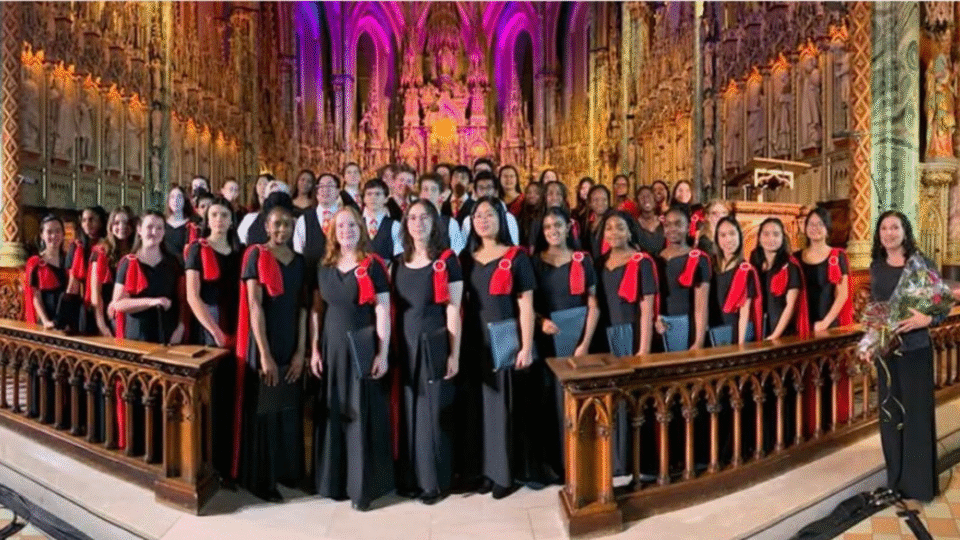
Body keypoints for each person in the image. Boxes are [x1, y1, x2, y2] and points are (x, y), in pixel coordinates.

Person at [312, 206, 394, 511]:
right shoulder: (324, 267)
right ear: (333, 232)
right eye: (340, 226)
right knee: (335, 412)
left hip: (362, 346)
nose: (346, 230)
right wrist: (314, 349)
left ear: (361, 228)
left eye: (351, 225)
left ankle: (362, 488)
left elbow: (383, 309)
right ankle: (333, 483)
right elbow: (316, 313)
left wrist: (382, 353)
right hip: (332, 348)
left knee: (361, 414)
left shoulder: (373, 265)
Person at [459, 196, 535, 499]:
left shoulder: (516, 256)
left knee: (501, 408)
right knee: (476, 407)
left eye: (489, 215)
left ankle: (503, 473)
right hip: (473, 339)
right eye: (478, 216)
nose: (483, 220)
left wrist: (526, 346)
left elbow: (526, 303)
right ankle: (482, 471)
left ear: (500, 220)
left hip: (504, 335)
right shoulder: (467, 258)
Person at [865, 210, 942, 502]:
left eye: (894, 227)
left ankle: (919, 485)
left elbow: (941, 304)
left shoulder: (921, 265)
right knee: (890, 415)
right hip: (887, 351)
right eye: (884, 228)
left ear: (905, 232)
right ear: (879, 235)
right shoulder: (876, 267)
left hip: (916, 349)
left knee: (917, 416)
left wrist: (928, 320)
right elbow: (876, 306)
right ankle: (895, 480)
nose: (889, 233)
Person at [234, 204, 308, 502]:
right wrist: (264, 353)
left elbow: (304, 308)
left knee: (289, 408)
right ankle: (263, 480)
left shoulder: (301, 261)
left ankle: (288, 472)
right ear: (266, 226)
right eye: (276, 224)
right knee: (266, 410)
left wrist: (301, 351)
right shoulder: (255, 255)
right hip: (263, 341)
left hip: (291, 341)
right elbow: (254, 305)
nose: (281, 230)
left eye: (287, 225)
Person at [393, 200, 463, 504]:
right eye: (412, 217)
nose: (418, 222)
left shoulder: (447, 261)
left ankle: (435, 481)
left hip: (434, 344)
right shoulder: (398, 262)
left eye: (424, 218)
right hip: (404, 348)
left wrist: (454, 353)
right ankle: (411, 478)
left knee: (433, 415)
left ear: (435, 223)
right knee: (409, 414)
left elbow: (454, 309)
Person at [530, 207, 599, 484]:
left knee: (577, 403)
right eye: (547, 227)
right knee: (550, 404)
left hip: (579, 341)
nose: (553, 231)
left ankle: (579, 461)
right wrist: (540, 322)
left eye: (557, 225)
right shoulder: (535, 262)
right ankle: (555, 465)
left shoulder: (583, 260)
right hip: (548, 341)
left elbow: (594, 305)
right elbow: (528, 305)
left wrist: (584, 343)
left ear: (568, 227)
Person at [110, 210, 185, 450]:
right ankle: (139, 446)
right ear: (139, 230)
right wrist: (151, 301)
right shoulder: (128, 262)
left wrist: (181, 327)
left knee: (165, 394)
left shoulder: (173, 262)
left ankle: (164, 446)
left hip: (168, 334)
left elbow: (182, 299)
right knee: (139, 392)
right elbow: (117, 304)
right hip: (138, 334)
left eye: (159, 228)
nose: (154, 232)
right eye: (150, 227)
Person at [595, 210, 658, 476]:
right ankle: (616, 461)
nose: (614, 233)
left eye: (620, 228)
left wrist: (643, 348)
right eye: (608, 228)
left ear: (630, 231)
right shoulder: (600, 262)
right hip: (607, 336)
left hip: (633, 334)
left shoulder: (641, 261)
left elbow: (647, 307)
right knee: (612, 400)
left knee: (634, 400)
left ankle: (637, 461)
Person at [184, 197, 242, 486]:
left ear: (232, 220)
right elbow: (193, 296)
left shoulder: (240, 251)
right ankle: (210, 465)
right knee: (212, 398)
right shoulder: (197, 248)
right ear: (208, 219)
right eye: (214, 214)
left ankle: (231, 463)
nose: (219, 219)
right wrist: (216, 332)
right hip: (211, 327)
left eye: (224, 214)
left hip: (238, 324)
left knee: (233, 396)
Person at [797, 206, 853, 430]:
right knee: (807, 379)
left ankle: (833, 423)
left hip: (830, 325)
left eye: (820, 224)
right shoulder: (796, 256)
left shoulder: (837, 256)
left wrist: (826, 323)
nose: (815, 228)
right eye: (811, 224)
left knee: (830, 376)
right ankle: (810, 424)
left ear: (827, 228)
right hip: (804, 325)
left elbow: (843, 294)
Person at [656, 207, 711, 351]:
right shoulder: (658, 258)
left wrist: (699, 341)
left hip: (687, 325)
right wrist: (656, 318)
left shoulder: (698, 258)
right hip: (662, 327)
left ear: (687, 227)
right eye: (668, 225)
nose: (672, 229)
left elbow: (701, 305)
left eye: (678, 224)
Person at [750, 217, 810, 341]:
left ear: (782, 238)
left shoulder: (791, 265)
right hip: (759, 332)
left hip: (783, 335)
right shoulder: (755, 263)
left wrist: (775, 336)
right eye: (766, 234)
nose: (771, 239)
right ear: (759, 238)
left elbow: (790, 305)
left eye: (776, 234)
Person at [709, 216, 762, 346]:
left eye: (732, 233)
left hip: (733, 332)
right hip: (711, 330)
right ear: (717, 239)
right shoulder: (710, 265)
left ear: (739, 236)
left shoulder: (745, 270)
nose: (728, 239)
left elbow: (745, 313)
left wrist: (740, 344)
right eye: (723, 235)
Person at [89, 207, 135, 338]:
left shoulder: (137, 250)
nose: (122, 227)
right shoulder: (101, 252)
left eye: (126, 223)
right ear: (110, 226)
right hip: (108, 315)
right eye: (117, 223)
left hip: (131, 313)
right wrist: (101, 324)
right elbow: (95, 293)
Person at [63, 206, 107, 334]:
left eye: (92, 219)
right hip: (84, 302)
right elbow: (72, 283)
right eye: (84, 220)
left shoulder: (107, 245)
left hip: (104, 296)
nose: (87, 224)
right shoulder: (76, 247)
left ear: (101, 222)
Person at [24, 215, 67, 329]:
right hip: (46, 320)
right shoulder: (35, 263)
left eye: (58, 231)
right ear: (42, 235)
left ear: (63, 235)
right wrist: (46, 321)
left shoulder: (68, 260)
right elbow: (35, 297)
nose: (54, 235)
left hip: (66, 320)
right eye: (49, 232)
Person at [293, 172, 342, 274]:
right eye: (321, 186)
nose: (325, 190)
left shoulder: (345, 217)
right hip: (311, 276)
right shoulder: (304, 219)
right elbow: (298, 251)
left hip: (340, 276)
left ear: (337, 191)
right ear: (317, 191)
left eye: (330, 186)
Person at [460, 172, 521, 245]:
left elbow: (514, 247)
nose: (485, 192)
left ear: (496, 192)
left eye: (489, 187)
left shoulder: (508, 218)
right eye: (481, 188)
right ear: (475, 193)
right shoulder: (468, 221)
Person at [418, 174, 465, 254]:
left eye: (433, 190)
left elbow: (457, 253)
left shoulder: (451, 223)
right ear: (419, 194)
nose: (429, 194)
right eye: (425, 189)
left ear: (440, 195)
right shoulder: (412, 221)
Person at [361, 178, 403, 262]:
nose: (373, 198)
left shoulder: (395, 226)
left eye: (377, 194)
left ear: (386, 199)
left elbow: (399, 257)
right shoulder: (356, 224)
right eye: (369, 194)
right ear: (364, 199)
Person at [163, 185, 196, 265]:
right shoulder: (162, 224)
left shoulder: (191, 224)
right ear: (168, 201)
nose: (176, 200)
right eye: (172, 197)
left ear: (185, 200)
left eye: (179, 197)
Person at [238, 173, 273, 244]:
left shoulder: (275, 211)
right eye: (260, 184)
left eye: (265, 184)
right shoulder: (249, 212)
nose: (262, 187)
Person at [581, 185, 612, 260]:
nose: (600, 203)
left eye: (604, 199)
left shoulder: (613, 220)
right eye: (596, 200)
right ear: (590, 203)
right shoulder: (586, 221)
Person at [635, 186, 665, 255]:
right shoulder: (634, 226)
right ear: (637, 203)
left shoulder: (664, 222)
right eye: (642, 197)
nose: (646, 200)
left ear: (654, 200)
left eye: (649, 196)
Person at [517, 181, 544, 250]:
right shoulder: (521, 213)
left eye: (536, 193)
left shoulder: (545, 214)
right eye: (529, 192)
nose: (532, 195)